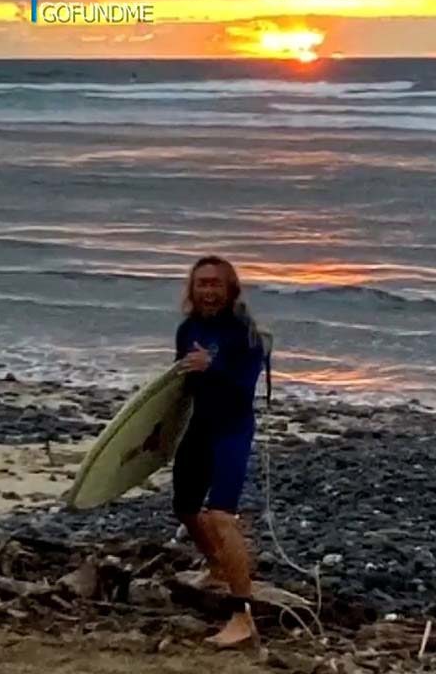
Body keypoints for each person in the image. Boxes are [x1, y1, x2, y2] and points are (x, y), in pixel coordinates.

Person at [173, 255, 265, 648]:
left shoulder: (246, 334)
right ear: (192, 290)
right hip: (199, 427)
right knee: (185, 508)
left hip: (232, 429)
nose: (208, 290)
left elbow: (244, 388)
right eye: (201, 283)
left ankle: (242, 616)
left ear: (230, 290)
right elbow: (180, 386)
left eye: (215, 284)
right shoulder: (187, 328)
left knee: (221, 516)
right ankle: (214, 567)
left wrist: (212, 366)